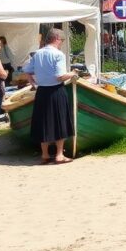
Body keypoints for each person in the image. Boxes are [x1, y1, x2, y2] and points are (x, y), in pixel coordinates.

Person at [22, 28, 77, 165]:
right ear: (57, 38)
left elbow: (27, 71)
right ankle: (59, 155)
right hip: (56, 91)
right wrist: (72, 73)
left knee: (43, 123)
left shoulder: (37, 54)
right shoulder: (58, 54)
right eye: (62, 40)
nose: (62, 43)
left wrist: (34, 84)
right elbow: (60, 77)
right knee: (60, 122)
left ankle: (45, 154)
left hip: (42, 92)